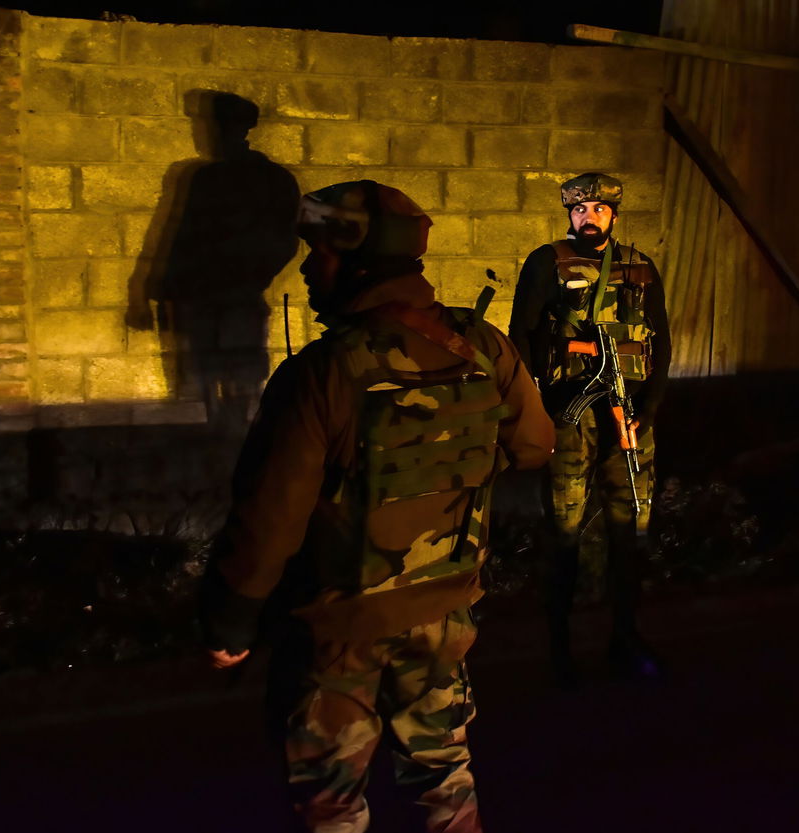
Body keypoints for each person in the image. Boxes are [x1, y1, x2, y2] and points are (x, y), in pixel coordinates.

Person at [200, 180, 554, 833]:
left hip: (340, 634)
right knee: (444, 783)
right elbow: (534, 445)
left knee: (333, 803)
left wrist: (231, 622)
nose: (307, 267)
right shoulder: (483, 346)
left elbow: (270, 518)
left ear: (360, 261)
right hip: (444, 614)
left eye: (322, 252)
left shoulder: (326, 371)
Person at [508, 172, 671, 684]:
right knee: (565, 532)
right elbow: (523, 335)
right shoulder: (547, 262)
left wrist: (650, 408)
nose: (589, 219)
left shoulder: (640, 267)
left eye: (598, 210)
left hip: (629, 419)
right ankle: (561, 646)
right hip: (570, 415)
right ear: (569, 215)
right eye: (580, 211)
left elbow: (660, 341)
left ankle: (625, 634)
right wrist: (539, 405)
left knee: (629, 530)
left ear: (614, 215)